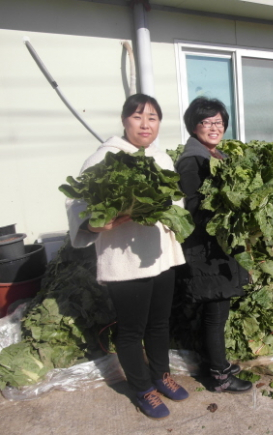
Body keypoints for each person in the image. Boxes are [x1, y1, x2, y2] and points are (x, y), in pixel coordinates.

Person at [66, 94, 189, 420]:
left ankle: (160, 375)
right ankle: (141, 387)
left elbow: (176, 201)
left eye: (152, 118)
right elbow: (77, 204)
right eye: (137, 117)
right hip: (124, 260)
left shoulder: (161, 157)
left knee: (159, 323)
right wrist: (94, 224)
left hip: (161, 255)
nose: (145, 124)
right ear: (124, 120)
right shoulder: (103, 158)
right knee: (132, 329)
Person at [175, 97, 252, 393]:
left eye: (218, 122)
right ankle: (220, 377)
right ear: (194, 126)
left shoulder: (217, 155)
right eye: (206, 122)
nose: (214, 127)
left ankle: (217, 364)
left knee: (218, 311)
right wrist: (228, 206)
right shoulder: (191, 160)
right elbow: (194, 206)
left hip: (218, 245)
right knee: (215, 313)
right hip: (205, 248)